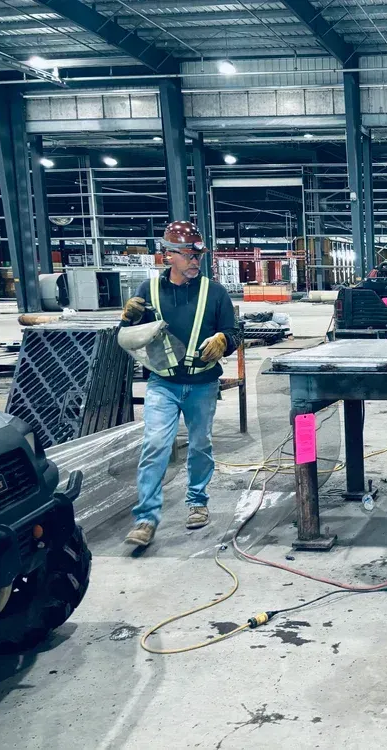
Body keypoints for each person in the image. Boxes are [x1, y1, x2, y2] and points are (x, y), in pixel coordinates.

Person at [121, 220, 238, 547]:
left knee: (200, 444)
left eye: (197, 255)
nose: (194, 261)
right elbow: (132, 334)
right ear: (168, 255)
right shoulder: (148, 291)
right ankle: (146, 518)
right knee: (156, 445)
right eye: (188, 254)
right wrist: (127, 317)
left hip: (202, 384)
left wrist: (223, 341)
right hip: (163, 383)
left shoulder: (214, 293)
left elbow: (234, 332)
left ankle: (197, 502)